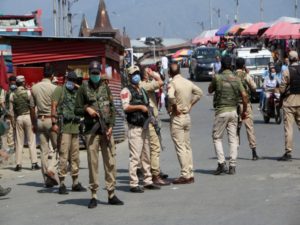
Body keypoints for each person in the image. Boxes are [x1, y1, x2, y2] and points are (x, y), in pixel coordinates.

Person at [75, 61, 123, 208]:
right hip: (92, 131)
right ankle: (94, 195)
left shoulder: (105, 86)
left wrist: (111, 126)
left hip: (106, 131)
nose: (95, 75)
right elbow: (76, 109)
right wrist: (87, 109)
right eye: (93, 73)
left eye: (97, 73)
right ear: (89, 73)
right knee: (93, 163)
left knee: (110, 163)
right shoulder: (83, 88)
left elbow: (113, 108)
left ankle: (111, 194)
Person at [120, 65, 161, 192]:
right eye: (133, 74)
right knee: (135, 157)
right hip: (135, 128)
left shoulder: (141, 89)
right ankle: (134, 183)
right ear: (129, 76)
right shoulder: (126, 91)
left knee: (146, 156)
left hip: (145, 126)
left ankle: (148, 180)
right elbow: (126, 107)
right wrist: (140, 107)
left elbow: (147, 105)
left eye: (137, 73)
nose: (136, 76)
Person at [208, 56, 248, 175]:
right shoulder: (236, 78)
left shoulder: (218, 78)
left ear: (221, 65)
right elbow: (244, 96)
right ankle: (232, 165)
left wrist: (214, 80)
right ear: (231, 65)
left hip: (221, 111)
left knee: (217, 137)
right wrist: (244, 110)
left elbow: (210, 90)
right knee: (233, 139)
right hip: (233, 112)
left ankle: (221, 163)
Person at [167, 62, 203, 184]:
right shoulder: (187, 82)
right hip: (187, 116)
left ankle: (185, 175)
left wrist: (175, 107)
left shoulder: (172, 83)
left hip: (177, 117)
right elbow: (199, 93)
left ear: (170, 73)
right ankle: (190, 173)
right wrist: (190, 104)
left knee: (180, 146)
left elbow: (170, 96)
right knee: (187, 146)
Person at [51, 72, 86, 195]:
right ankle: (62, 184)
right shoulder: (59, 90)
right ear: (66, 79)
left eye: (74, 80)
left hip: (75, 127)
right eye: (70, 79)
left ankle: (75, 182)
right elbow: (54, 106)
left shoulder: (77, 92)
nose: (72, 82)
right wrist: (54, 123)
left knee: (75, 157)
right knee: (63, 156)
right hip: (64, 128)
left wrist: (79, 87)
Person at [140, 67, 169, 186]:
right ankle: (155, 175)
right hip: (150, 120)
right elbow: (161, 81)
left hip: (152, 119)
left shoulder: (145, 84)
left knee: (151, 148)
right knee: (155, 148)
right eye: (147, 72)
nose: (150, 73)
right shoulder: (143, 85)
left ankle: (153, 171)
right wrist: (154, 74)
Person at [30, 66, 58, 187]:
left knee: (43, 151)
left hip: (40, 120)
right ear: (52, 76)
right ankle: (51, 169)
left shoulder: (34, 88)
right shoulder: (55, 88)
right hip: (51, 121)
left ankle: (47, 180)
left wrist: (33, 123)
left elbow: (31, 107)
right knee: (59, 149)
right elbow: (58, 107)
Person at [10, 75, 40, 171]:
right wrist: (34, 120)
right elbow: (33, 107)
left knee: (19, 142)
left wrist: (13, 123)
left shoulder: (12, 94)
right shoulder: (28, 93)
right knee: (31, 141)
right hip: (28, 117)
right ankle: (34, 163)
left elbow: (11, 111)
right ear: (23, 82)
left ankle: (18, 165)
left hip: (18, 118)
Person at [235, 58, 259, 160]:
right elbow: (254, 87)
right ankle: (253, 152)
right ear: (243, 66)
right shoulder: (245, 76)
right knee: (249, 128)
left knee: (236, 129)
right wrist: (248, 74)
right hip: (246, 104)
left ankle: (234, 151)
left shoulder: (232, 76)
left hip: (234, 105)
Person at [278, 51, 300, 161]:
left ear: (289, 60)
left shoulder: (287, 71)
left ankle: (288, 152)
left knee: (289, 128)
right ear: (298, 58)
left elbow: (282, 89)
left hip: (290, 102)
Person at [1, 76, 16, 153]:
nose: (13, 83)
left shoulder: (17, 90)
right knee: (9, 130)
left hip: (16, 113)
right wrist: (6, 111)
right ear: (9, 82)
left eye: (14, 81)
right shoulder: (5, 90)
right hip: (8, 114)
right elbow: (2, 102)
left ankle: (15, 145)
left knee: (15, 129)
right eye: (12, 81)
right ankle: (11, 146)